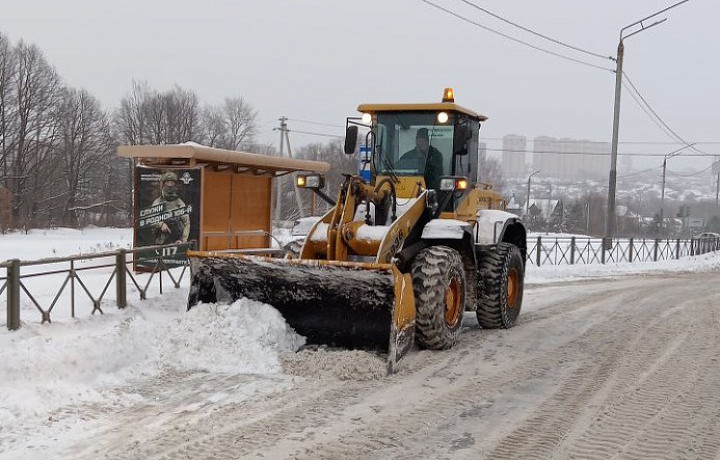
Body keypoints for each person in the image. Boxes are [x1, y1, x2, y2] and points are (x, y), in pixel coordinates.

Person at [151, 171, 190, 244]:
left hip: (177, 241)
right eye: (167, 182)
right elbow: (151, 219)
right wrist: (161, 224)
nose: (169, 185)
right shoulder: (157, 202)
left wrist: (183, 240)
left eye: (172, 183)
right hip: (161, 241)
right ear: (163, 184)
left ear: (175, 184)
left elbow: (186, 224)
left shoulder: (180, 203)